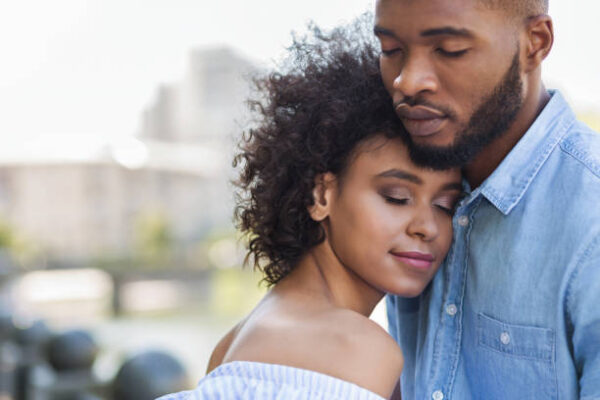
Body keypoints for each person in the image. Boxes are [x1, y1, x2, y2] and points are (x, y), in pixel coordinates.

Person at [158, 17, 462, 400]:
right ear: (322, 195)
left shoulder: (233, 343)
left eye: (446, 205)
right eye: (397, 197)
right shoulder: (357, 348)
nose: (427, 227)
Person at [375, 0, 600, 398]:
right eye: (391, 50)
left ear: (535, 42)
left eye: (449, 50)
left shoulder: (591, 220)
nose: (407, 82)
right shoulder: (404, 181)